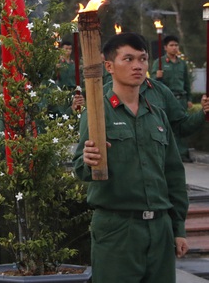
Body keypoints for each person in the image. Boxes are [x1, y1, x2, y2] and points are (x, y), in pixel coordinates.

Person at [73, 33, 188, 283]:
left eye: (142, 59)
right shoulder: (96, 112)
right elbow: (80, 167)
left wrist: (178, 229)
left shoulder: (157, 115)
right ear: (109, 66)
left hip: (160, 229)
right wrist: (88, 160)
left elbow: (174, 175)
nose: (138, 65)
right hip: (118, 229)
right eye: (128, 59)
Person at [150, 34, 194, 161]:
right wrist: (157, 76)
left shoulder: (182, 63)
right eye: (171, 45)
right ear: (165, 47)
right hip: (167, 99)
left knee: (182, 126)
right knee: (167, 126)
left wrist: (190, 98)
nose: (174, 48)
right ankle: (170, 153)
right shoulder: (159, 63)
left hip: (181, 99)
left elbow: (186, 82)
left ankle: (183, 153)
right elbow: (152, 82)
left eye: (176, 45)